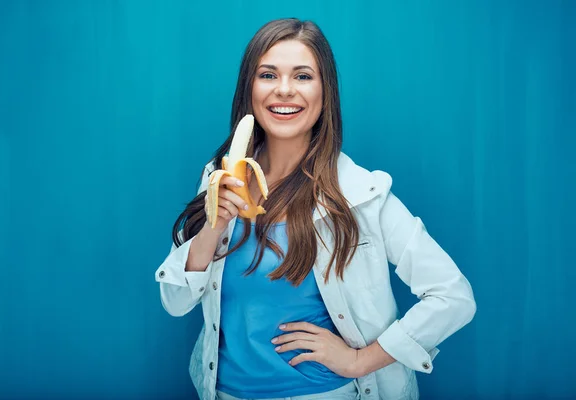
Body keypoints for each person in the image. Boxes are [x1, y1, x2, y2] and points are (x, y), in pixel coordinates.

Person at [155, 18, 476, 400]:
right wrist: (213, 225)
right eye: (268, 75)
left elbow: (453, 297)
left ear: (325, 92)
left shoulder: (360, 194)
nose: (285, 90)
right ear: (249, 89)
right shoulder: (220, 177)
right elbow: (175, 303)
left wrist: (360, 360)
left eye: (303, 76)